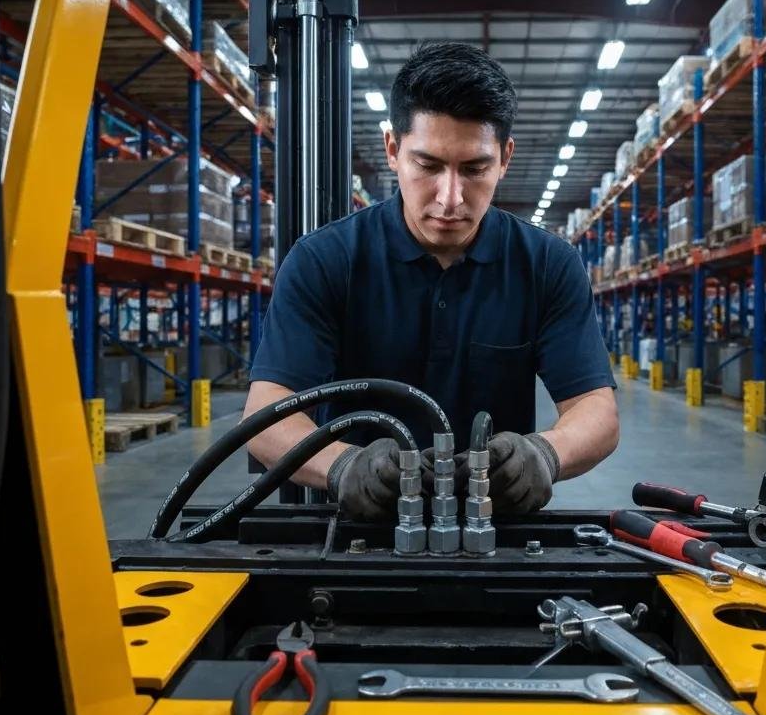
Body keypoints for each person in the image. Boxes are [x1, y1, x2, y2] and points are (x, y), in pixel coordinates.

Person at [244, 42, 619, 520]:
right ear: (393, 150)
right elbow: (266, 412)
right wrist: (343, 467)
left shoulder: (547, 264)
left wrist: (546, 454)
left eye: (475, 169)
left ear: (505, 158)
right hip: (355, 530)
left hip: (496, 530)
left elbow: (596, 410)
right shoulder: (325, 260)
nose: (450, 197)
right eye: (428, 165)